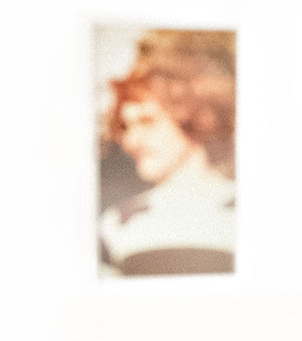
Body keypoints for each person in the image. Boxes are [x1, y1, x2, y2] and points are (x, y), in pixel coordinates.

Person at [98, 29, 237, 276]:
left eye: (147, 121)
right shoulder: (117, 224)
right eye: (125, 127)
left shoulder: (248, 211)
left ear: (197, 116)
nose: (130, 141)